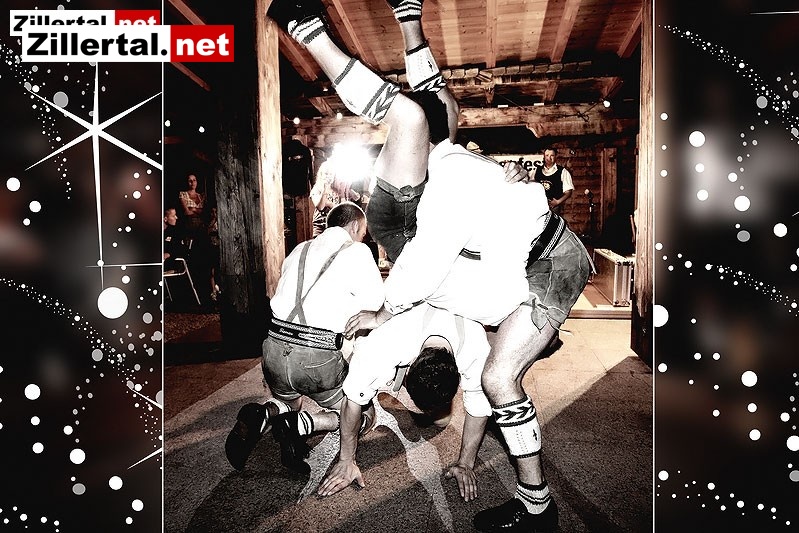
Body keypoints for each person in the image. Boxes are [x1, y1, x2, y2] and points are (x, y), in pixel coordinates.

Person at [268, 2, 590, 530]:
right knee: (498, 379)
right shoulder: (458, 166)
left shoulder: (452, 178)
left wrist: (386, 309)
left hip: (493, 248)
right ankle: (538, 507)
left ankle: (312, 31)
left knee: (413, 115)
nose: (451, 109)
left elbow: (430, 255)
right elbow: (439, 97)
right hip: (540, 259)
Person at [274, 301, 493, 503]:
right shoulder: (384, 343)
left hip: (449, 323)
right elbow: (352, 401)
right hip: (398, 333)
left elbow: (479, 408)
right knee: (367, 415)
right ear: (410, 365)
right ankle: (393, 383)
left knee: (442, 421)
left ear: (458, 375)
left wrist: (466, 463)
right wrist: (346, 460)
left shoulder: (476, 347)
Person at [224, 202, 384, 472]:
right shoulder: (357, 251)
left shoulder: (300, 248)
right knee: (364, 414)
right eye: (363, 232)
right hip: (315, 359)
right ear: (355, 226)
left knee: (291, 401)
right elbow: (375, 306)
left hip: (273, 351)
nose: (362, 237)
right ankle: (303, 424)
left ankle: (265, 413)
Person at [309, 160, 362, 237]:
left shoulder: (337, 189)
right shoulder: (317, 188)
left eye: (331, 174)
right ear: (321, 175)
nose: (328, 176)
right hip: (321, 228)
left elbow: (343, 208)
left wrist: (347, 192)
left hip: (335, 227)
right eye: (326, 174)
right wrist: (325, 190)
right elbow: (320, 207)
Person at [533, 147, 574, 215]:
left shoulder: (562, 171)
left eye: (552, 155)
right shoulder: (537, 170)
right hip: (538, 207)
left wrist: (557, 202)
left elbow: (568, 192)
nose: (549, 158)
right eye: (547, 155)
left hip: (554, 208)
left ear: (555, 157)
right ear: (544, 156)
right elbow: (532, 186)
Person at [178, 173, 206, 240]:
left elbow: (204, 213)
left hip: (201, 225)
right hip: (189, 224)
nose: (192, 182)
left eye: (194, 180)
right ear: (187, 182)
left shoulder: (201, 196)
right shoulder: (183, 194)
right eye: (190, 181)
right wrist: (198, 211)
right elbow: (187, 212)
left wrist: (193, 209)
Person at [163, 207, 187, 272]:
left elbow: (181, 249)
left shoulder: (176, 232)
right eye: (173, 216)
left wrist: (169, 254)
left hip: (171, 263)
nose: (176, 218)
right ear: (165, 219)